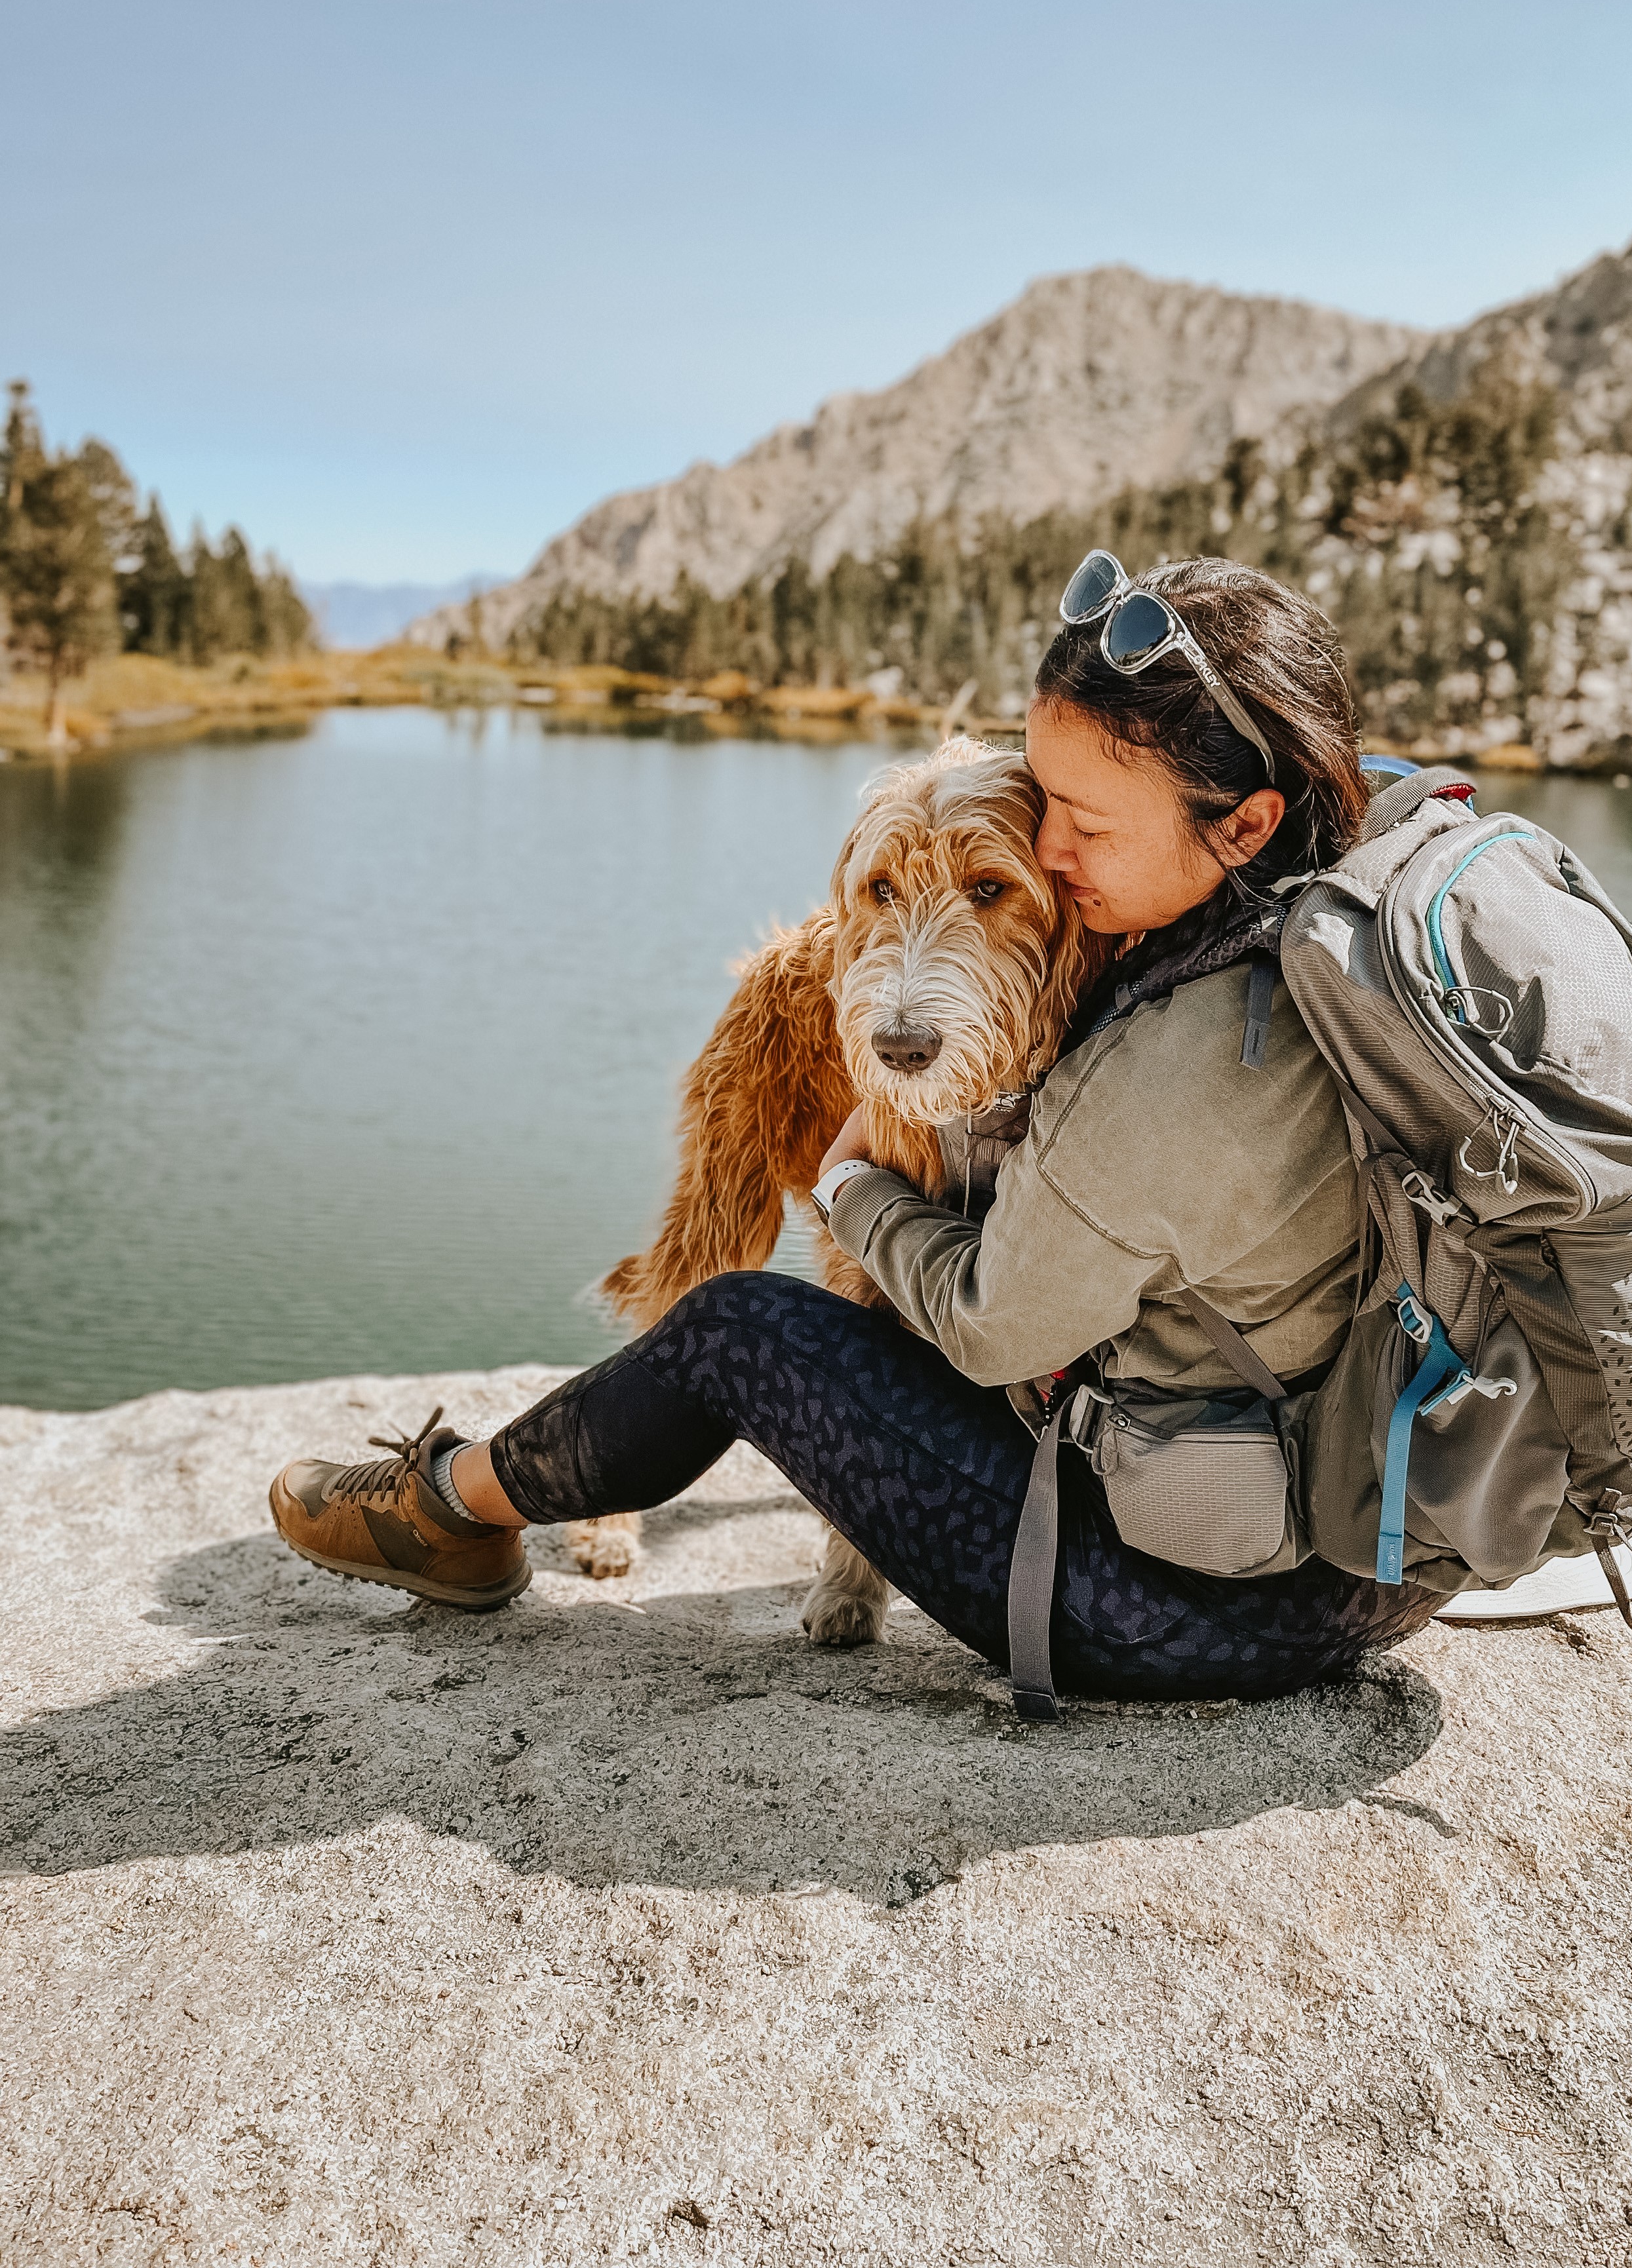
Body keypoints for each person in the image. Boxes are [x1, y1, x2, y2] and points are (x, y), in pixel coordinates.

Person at [269, 555, 1440, 1699]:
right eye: (1049, 807)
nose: (1055, 852)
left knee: (740, 1326)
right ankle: (571, 1492)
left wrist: (855, 1191)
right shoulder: (1340, 930)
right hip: (1377, 1568)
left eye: (1083, 823)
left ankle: (446, 1513)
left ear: (1244, 820)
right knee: (711, 1255)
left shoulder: (1161, 1066)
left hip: (1177, 1612)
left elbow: (985, 1331)